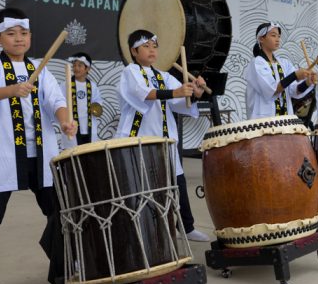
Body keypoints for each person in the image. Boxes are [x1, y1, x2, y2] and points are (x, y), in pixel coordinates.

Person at [0, 8, 77, 284]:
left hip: (42, 157)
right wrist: (12, 89)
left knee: (60, 217)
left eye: (23, 33)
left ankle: (69, 271)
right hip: (5, 157)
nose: (19, 39)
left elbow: (56, 101)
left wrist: (65, 120)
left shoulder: (41, 67)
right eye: (11, 34)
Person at [116, 29, 210, 242]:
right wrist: (176, 92)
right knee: (142, 185)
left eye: (154, 46)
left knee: (177, 182)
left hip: (165, 139)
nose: (151, 50)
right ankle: (143, 229)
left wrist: (194, 93)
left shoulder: (163, 76)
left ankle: (186, 227)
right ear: (133, 50)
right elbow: (144, 94)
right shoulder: (130, 72)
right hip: (138, 139)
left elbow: (180, 102)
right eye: (146, 46)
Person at [244, 22, 316, 119]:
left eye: (279, 36)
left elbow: (294, 90)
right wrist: (295, 75)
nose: (277, 39)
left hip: (284, 121)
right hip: (262, 122)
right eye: (273, 35)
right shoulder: (257, 63)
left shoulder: (284, 64)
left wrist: (308, 82)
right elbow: (273, 89)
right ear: (261, 39)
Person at [60, 52, 103, 148]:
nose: (76, 68)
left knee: (89, 154)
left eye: (80, 65)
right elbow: (60, 103)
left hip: (88, 128)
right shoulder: (65, 85)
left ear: (87, 68)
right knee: (73, 155)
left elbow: (98, 103)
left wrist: (96, 108)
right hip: (72, 128)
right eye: (74, 65)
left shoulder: (93, 86)